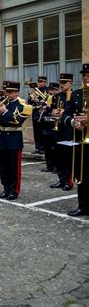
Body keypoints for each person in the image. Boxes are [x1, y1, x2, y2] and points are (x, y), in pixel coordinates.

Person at [0, 81, 32, 200]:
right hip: (2, 138)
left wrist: (4, 111)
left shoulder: (22, 106)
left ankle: (13, 191)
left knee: (13, 168)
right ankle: (5, 189)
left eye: (10, 92)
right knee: (3, 167)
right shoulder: (5, 104)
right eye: (6, 92)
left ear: (16, 93)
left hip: (13, 139)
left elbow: (17, 122)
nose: (7, 94)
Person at [62, 64, 89, 216]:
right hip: (81, 140)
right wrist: (74, 122)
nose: (85, 78)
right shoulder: (76, 94)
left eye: (88, 75)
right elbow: (66, 114)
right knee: (81, 175)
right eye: (84, 75)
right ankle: (83, 205)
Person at [49, 73, 74, 191]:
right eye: (61, 83)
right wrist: (53, 112)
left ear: (71, 83)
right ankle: (61, 179)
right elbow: (51, 109)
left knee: (68, 157)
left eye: (65, 82)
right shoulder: (56, 96)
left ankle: (68, 181)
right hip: (58, 129)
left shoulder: (75, 95)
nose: (62, 85)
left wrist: (65, 112)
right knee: (58, 156)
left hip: (69, 130)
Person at [40, 82, 60, 173]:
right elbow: (43, 112)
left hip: (55, 127)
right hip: (46, 126)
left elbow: (57, 112)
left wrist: (49, 108)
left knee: (55, 148)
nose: (52, 92)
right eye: (51, 90)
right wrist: (44, 109)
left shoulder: (59, 99)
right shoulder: (47, 99)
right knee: (47, 148)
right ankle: (49, 166)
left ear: (57, 90)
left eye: (54, 90)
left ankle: (56, 167)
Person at [28, 76, 48, 154]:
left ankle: (43, 148)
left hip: (44, 112)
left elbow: (48, 100)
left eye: (41, 82)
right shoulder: (34, 91)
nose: (39, 83)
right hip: (36, 112)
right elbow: (29, 103)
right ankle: (37, 147)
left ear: (45, 82)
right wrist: (31, 98)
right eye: (38, 82)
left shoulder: (48, 90)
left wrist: (38, 100)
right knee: (36, 131)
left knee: (43, 131)